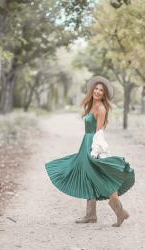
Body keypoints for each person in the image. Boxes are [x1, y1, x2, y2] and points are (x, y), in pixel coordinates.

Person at [45, 76, 135, 227]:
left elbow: (99, 131)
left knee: (101, 178)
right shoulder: (92, 105)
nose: (98, 91)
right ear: (92, 90)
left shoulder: (101, 108)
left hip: (93, 145)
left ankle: (120, 211)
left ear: (104, 94)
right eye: (96, 89)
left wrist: (96, 151)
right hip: (85, 144)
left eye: (101, 90)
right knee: (88, 176)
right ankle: (91, 215)